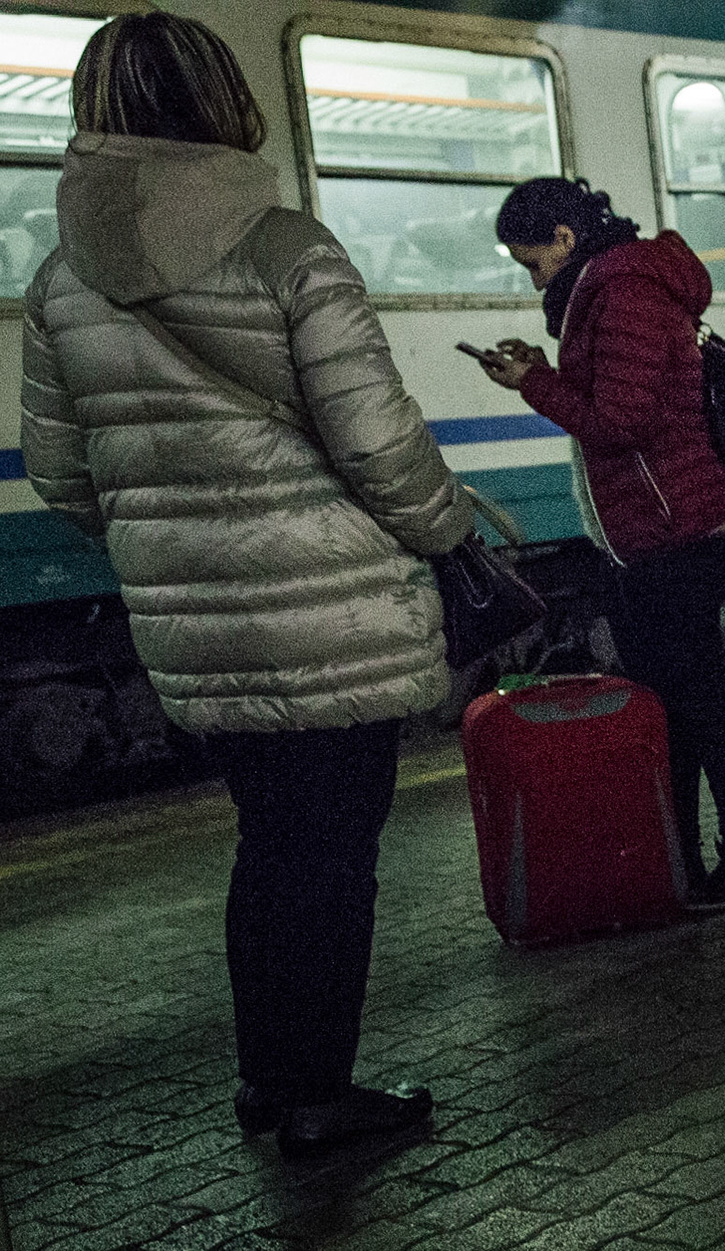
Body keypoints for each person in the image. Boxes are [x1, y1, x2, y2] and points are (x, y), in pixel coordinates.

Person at [20, 12, 470, 1158]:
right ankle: (320, 1098)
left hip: (196, 627)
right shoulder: (288, 250)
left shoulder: (61, 278)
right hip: (331, 614)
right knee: (330, 858)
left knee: (269, 847)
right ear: (224, 102)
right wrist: (445, 528)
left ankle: (271, 1082)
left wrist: (178, 550)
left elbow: (68, 472)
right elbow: (376, 445)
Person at [478, 178, 725, 909]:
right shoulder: (602, 292)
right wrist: (540, 373)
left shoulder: (626, 290)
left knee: (697, 705)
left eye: (533, 262)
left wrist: (535, 384)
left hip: (671, 529)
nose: (533, 277)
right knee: (672, 709)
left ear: (565, 238)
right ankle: (678, 863)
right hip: (643, 532)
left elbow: (623, 422)